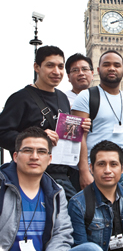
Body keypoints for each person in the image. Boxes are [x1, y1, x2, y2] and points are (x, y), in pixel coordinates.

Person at [0, 45, 90, 199]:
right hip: (32, 175)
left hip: (63, 174)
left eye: (60, 66)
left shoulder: (62, 97)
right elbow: (2, 134)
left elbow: (63, 135)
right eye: (50, 65)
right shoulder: (20, 98)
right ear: (37, 67)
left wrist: (81, 128)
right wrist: (38, 139)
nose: (56, 71)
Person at [72, 50, 123, 196]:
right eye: (106, 64)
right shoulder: (86, 96)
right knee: (99, 217)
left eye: (116, 65)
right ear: (98, 70)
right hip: (97, 169)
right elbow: (78, 137)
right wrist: (84, 171)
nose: (112, 68)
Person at [0, 127, 75, 251]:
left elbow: (62, 234)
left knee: (90, 248)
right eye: (28, 150)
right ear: (15, 156)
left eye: (41, 151)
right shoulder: (2, 185)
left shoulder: (56, 191)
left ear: (49, 159)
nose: (34, 157)